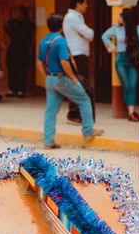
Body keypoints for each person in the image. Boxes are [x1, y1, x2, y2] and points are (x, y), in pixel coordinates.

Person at [37, 14, 103, 149]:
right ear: (61, 26)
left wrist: (47, 76)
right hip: (63, 78)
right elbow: (64, 61)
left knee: (51, 110)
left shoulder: (43, 41)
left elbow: (39, 62)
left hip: (50, 79)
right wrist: (73, 77)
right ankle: (88, 132)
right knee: (84, 99)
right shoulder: (61, 41)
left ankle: (48, 141)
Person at [101, 6, 139, 121]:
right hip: (121, 59)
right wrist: (113, 48)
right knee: (126, 85)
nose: (119, 18)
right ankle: (131, 111)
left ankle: (131, 112)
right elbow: (104, 36)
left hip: (133, 60)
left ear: (126, 18)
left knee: (132, 86)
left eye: (121, 16)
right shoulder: (116, 28)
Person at [63, 0, 95, 124]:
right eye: (85, 3)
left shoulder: (76, 17)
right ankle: (74, 113)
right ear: (78, 4)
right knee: (80, 84)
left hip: (79, 54)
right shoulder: (72, 17)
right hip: (77, 55)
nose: (87, 6)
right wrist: (86, 34)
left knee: (80, 83)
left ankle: (77, 113)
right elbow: (89, 33)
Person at [5, 5, 36, 97]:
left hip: (23, 50)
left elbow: (33, 37)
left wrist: (31, 49)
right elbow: (8, 31)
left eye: (19, 13)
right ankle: (13, 90)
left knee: (21, 70)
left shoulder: (29, 24)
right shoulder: (13, 22)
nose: (18, 15)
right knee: (11, 69)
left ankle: (21, 90)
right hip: (13, 48)